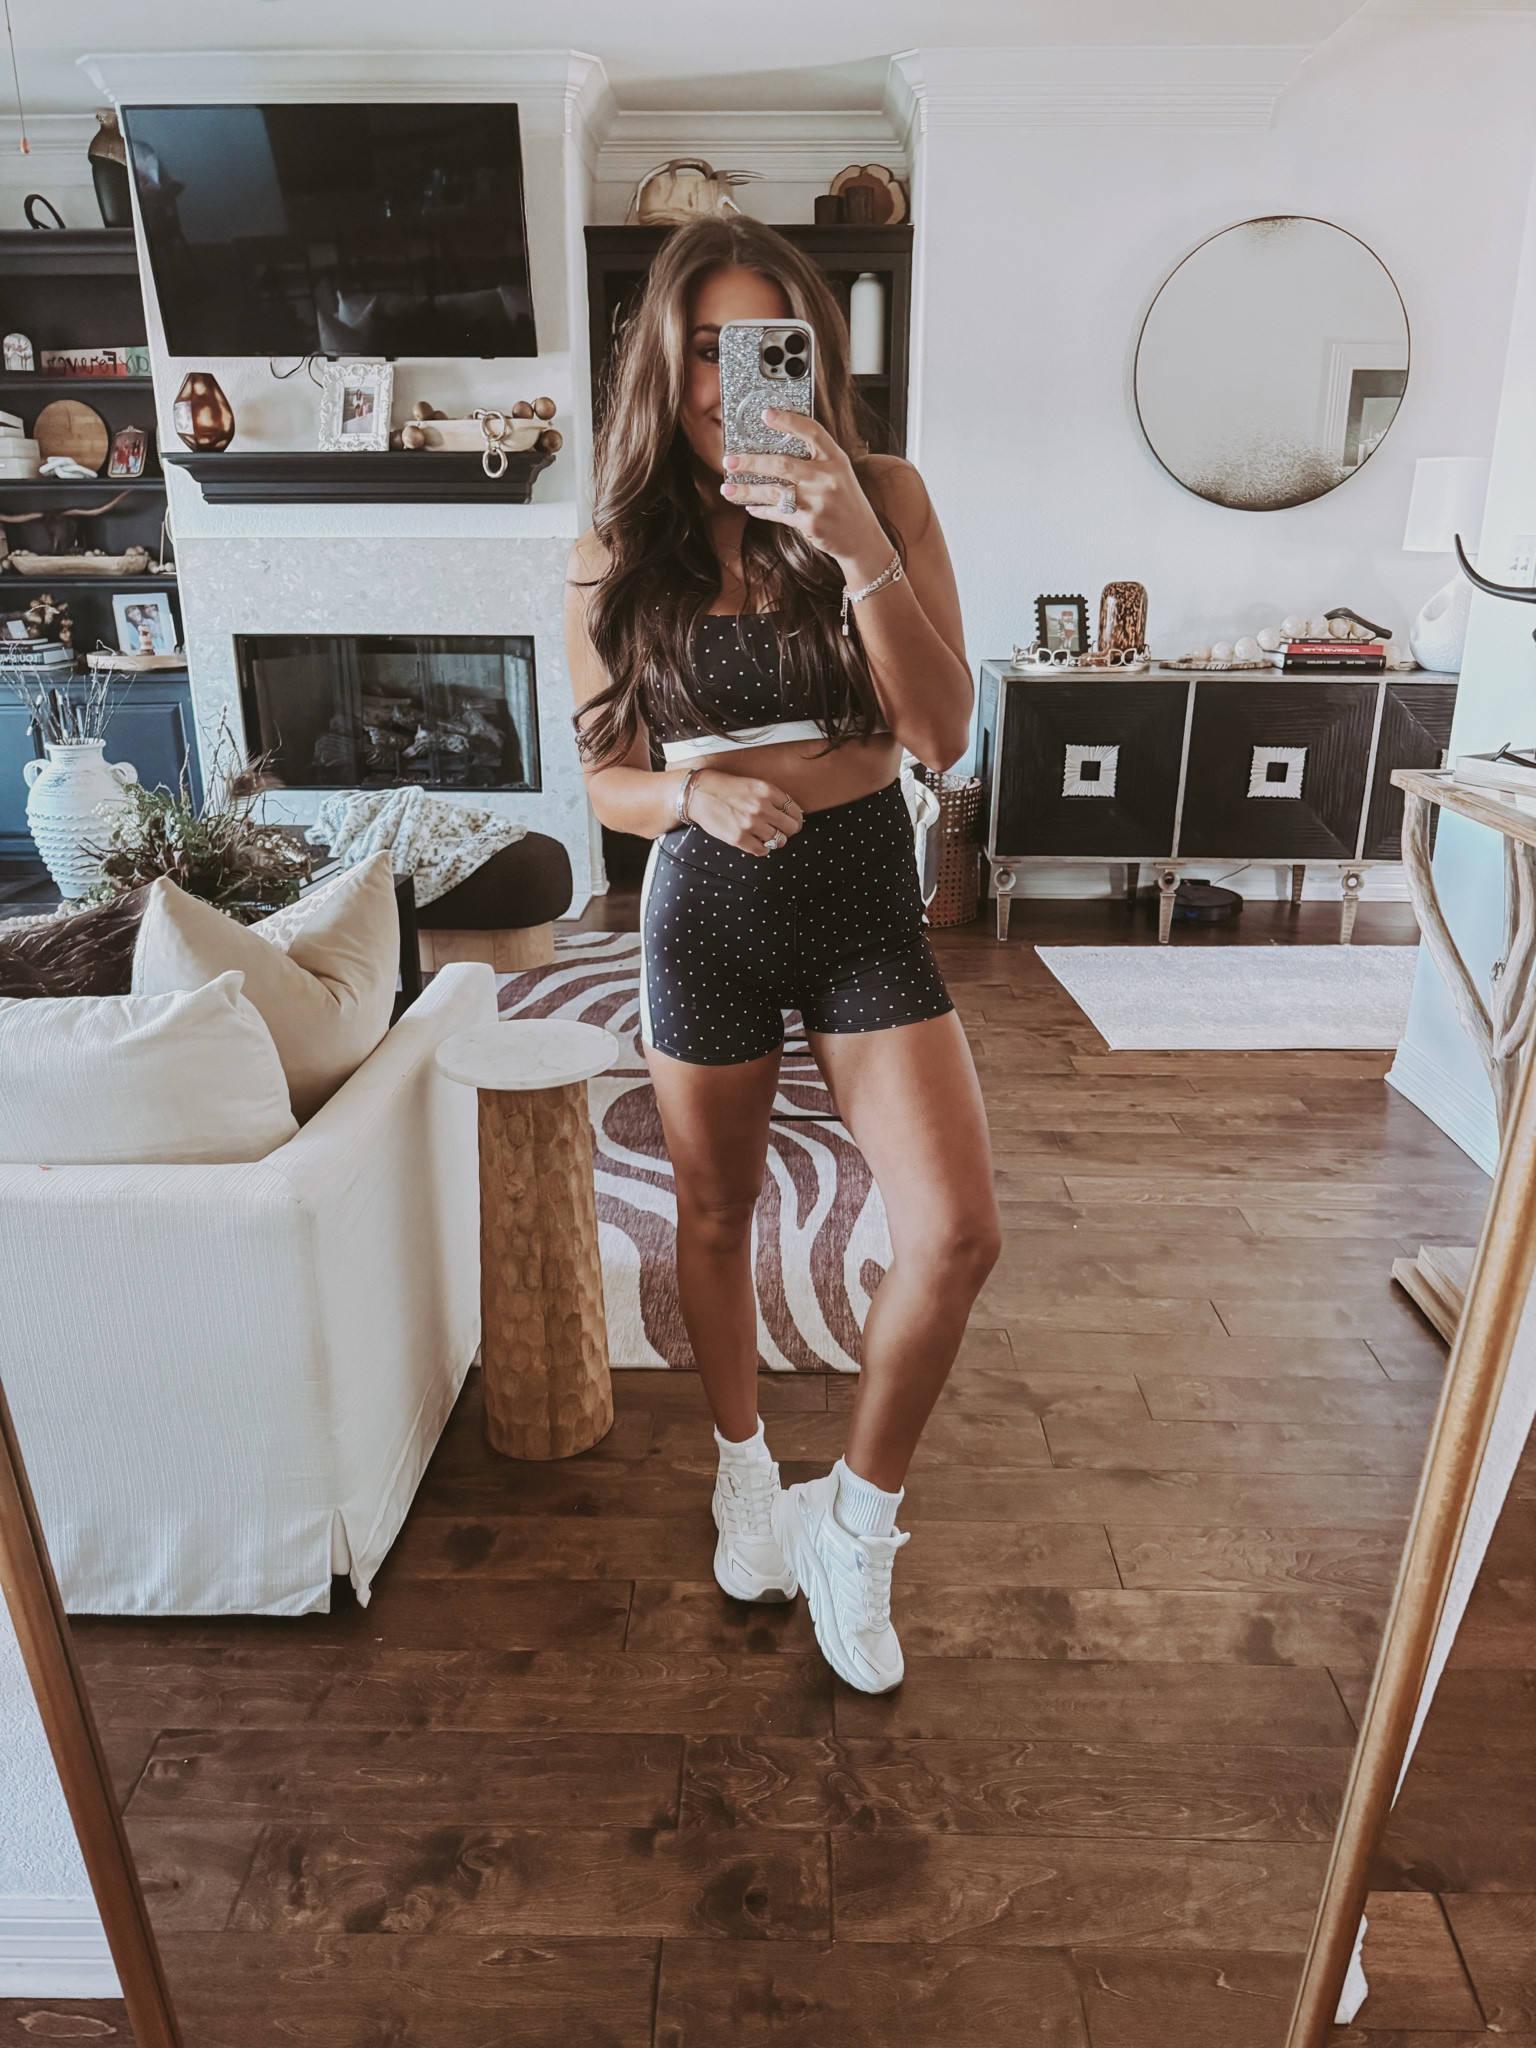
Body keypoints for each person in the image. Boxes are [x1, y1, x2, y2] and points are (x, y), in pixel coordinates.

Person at [565, 216, 1000, 1695]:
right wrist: (688, 796)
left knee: (956, 1232)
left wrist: (859, 547)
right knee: (714, 1208)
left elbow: (941, 735)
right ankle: (746, 1474)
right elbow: (606, 779)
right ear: (664, 362)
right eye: (703, 348)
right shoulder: (617, 549)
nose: (727, 384)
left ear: (812, 357)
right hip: (709, 908)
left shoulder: (887, 497)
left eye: (764, 347)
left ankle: (854, 1529)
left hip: (865, 895)